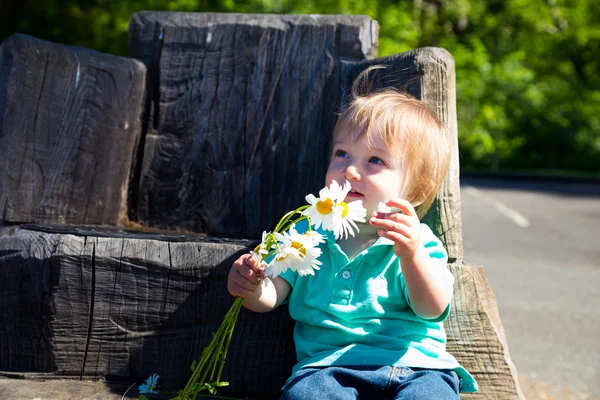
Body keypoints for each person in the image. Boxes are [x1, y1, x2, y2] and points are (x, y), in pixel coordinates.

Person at [227, 66, 478, 399]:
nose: (350, 170)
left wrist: (412, 256)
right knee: (306, 396)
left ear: (415, 189)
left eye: (375, 160)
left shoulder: (416, 241)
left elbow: (431, 308)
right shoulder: (307, 231)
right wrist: (252, 287)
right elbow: (274, 294)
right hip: (327, 370)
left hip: (416, 367)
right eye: (342, 153)